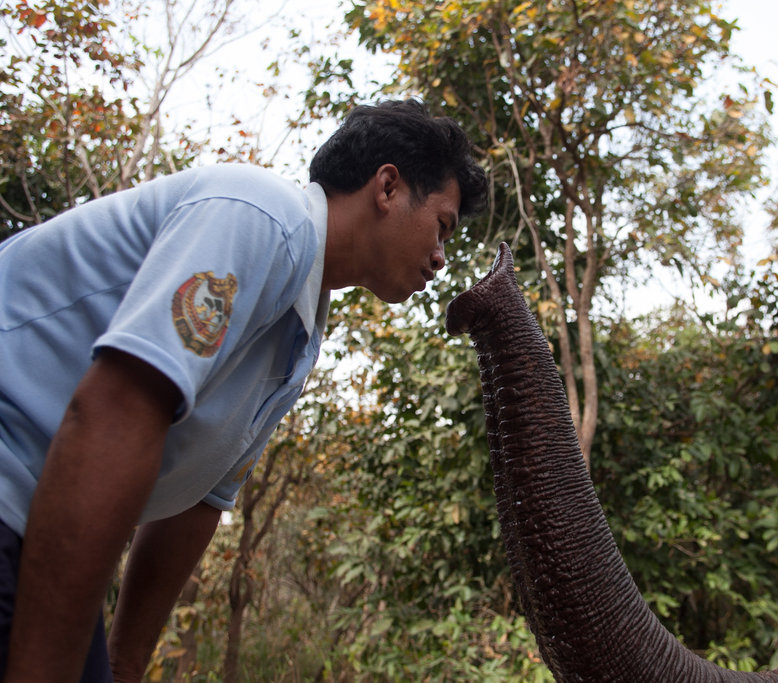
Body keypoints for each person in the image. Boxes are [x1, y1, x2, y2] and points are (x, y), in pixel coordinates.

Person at [0, 99, 488, 681]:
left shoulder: (301, 331)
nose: (440, 257)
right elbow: (118, 410)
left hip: (34, 525)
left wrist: (125, 663)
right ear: (387, 187)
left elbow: (200, 502)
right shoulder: (259, 215)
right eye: (442, 227)